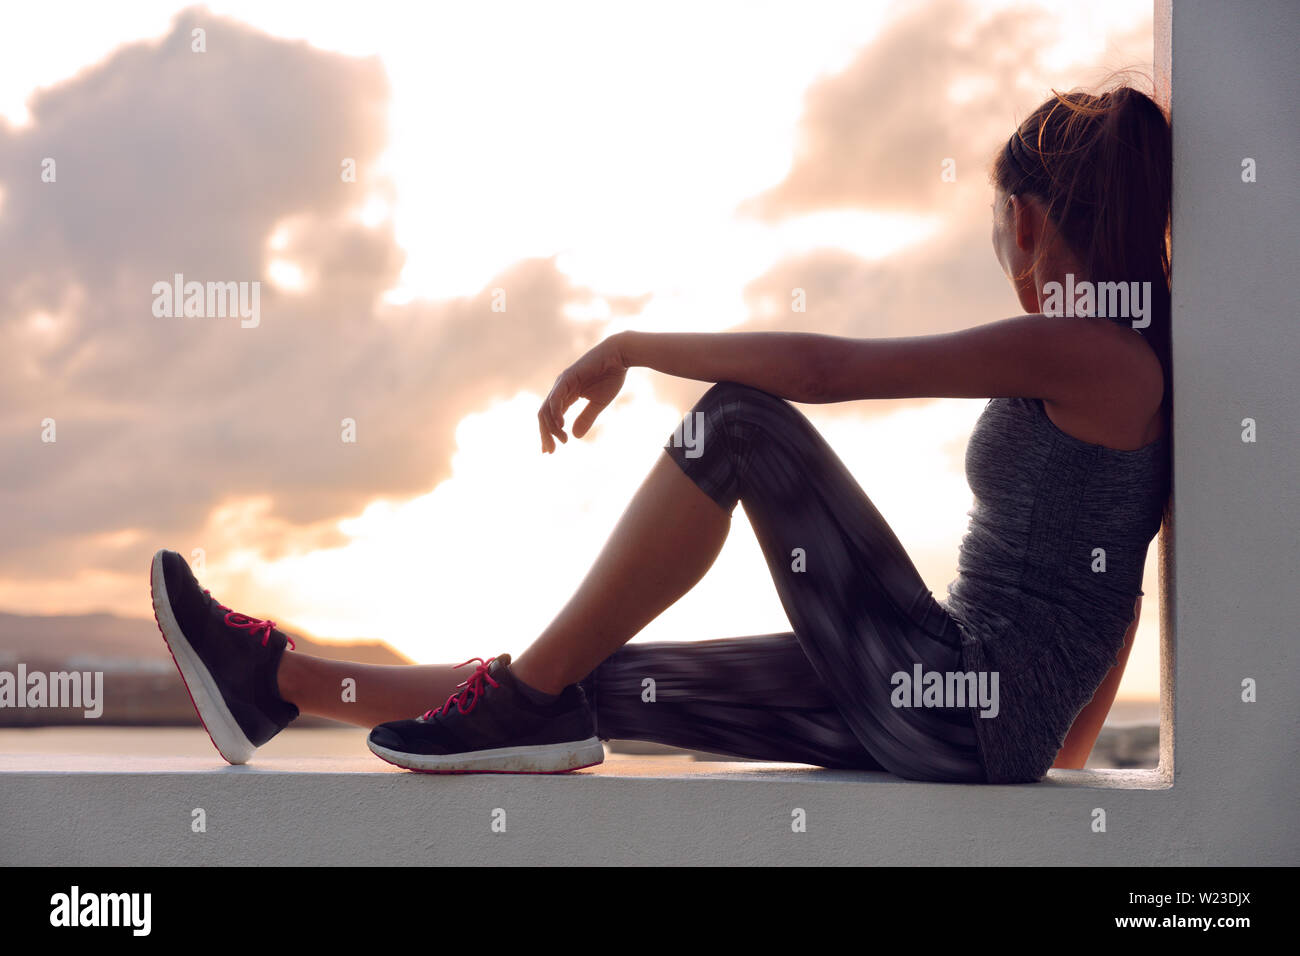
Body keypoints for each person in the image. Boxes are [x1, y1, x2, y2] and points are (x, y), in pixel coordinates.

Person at [149, 82, 1172, 784]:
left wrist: (633, 344)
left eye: (1000, 228)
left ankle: (514, 703)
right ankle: (275, 683)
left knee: (735, 422)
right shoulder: (1127, 364)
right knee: (589, 674)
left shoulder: (1090, 351)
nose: (1003, 253)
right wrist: (1053, 760)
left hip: (953, 702)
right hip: (943, 702)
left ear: (1031, 221)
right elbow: (1114, 596)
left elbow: (832, 372)